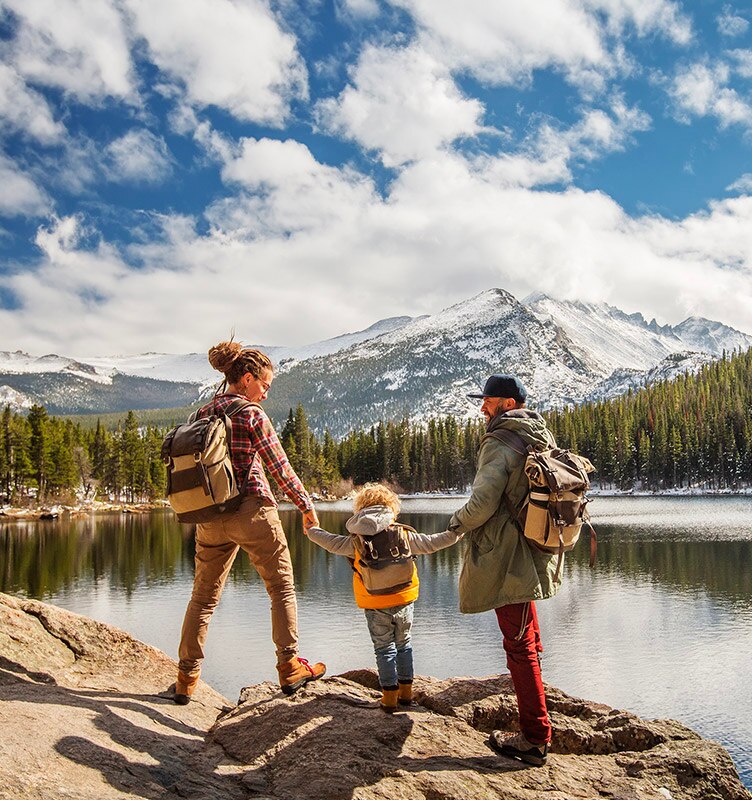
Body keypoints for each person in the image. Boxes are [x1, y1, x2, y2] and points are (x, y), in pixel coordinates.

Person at [174, 340, 325, 704]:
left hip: (210, 517)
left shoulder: (201, 414)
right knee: (282, 588)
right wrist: (305, 506)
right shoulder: (250, 414)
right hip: (252, 510)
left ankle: (185, 678)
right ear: (245, 379)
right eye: (264, 385)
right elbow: (279, 466)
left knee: (203, 597)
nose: (266, 394)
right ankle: (289, 667)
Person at [448, 374, 559, 766]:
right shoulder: (540, 434)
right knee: (527, 635)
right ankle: (539, 705)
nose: (483, 408)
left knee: (518, 645)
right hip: (535, 549)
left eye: (489, 401)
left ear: (508, 404)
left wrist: (454, 524)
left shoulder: (499, 441)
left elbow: (481, 505)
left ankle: (534, 737)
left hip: (506, 556)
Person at [304, 483, 462, 712]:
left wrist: (311, 530)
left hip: (375, 602)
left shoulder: (357, 541)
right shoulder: (404, 535)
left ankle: (389, 698)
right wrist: (457, 533)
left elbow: (331, 543)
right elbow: (433, 542)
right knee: (404, 644)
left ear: (360, 508)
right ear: (391, 508)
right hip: (404, 597)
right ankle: (406, 694)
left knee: (384, 648)